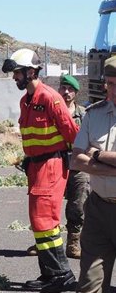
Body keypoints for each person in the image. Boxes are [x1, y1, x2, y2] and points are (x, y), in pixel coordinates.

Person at [48, 56, 116, 293]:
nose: (109, 88)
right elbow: (76, 160)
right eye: (108, 82)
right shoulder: (94, 114)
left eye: (115, 83)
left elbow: (88, 156)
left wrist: (98, 155)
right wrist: (106, 164)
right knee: (89, 281)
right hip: (100, 206)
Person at [2, 48, 79, 293]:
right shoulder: (26, 101)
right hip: (36, 166)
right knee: (39, 222)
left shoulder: (50, 98)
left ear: (31, 72)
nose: (15, 78)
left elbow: (72, 134)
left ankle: (62, 274)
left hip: (51, 165)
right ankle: (49, 273)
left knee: (45, 221)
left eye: (17, 73)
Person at [59, 74, 89, 259]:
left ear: (76, 93)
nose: (66, 92)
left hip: (77, 167)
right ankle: (45, 245)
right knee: (49, 206)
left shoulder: (84, 114)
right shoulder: (51, 112)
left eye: (70, 90)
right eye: (63, 88)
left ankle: (73, 243)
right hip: (56, 164)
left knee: (77, 206)